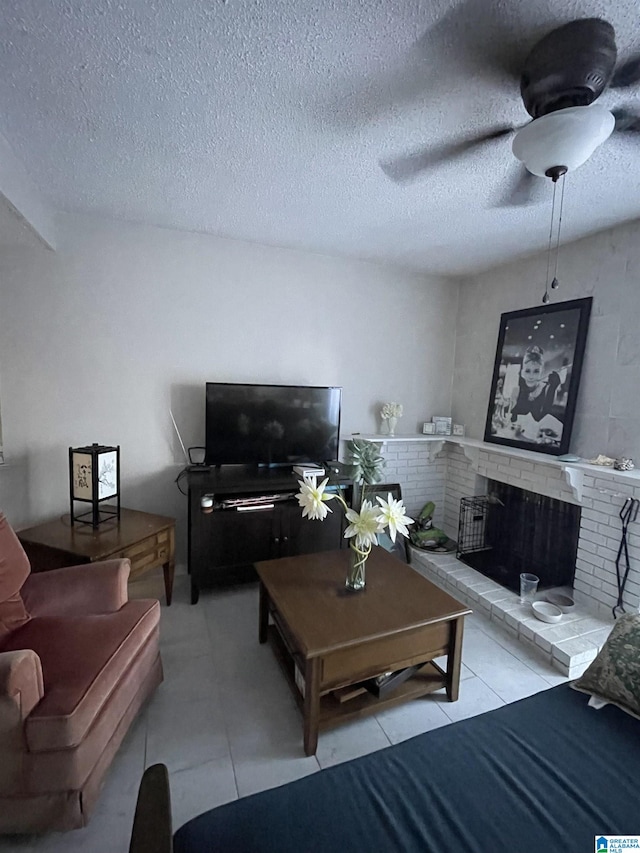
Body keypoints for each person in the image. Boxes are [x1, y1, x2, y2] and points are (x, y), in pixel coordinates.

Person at [510, 345, 565, 422]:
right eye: (527, 371)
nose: (531, 376)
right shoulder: (516, 389)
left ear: (542, 372)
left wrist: (552, 389)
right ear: (522, 372)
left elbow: (546, 416)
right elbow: (508, 415)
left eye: (536, 371)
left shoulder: (548, 389)